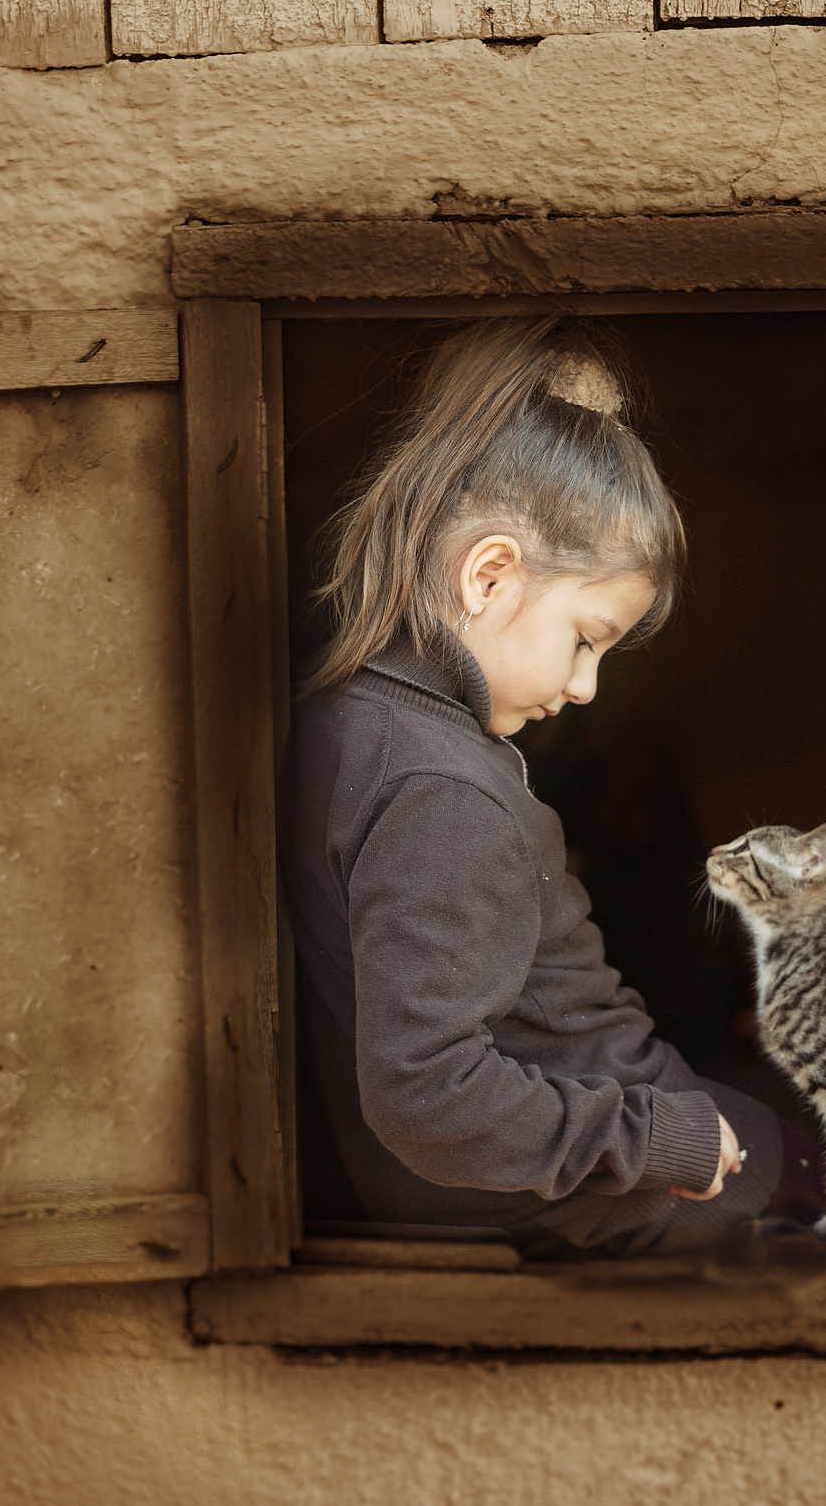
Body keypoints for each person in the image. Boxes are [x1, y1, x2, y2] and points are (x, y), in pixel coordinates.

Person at [282, 315, 783, 1256]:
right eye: (587, 638)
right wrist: (654, 1135)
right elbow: (428, 1094)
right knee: (812, 1165)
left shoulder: (349, 723)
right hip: (557, 1198)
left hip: (535, 1169)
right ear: (489, 575)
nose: (586, 685)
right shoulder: (442, 792)